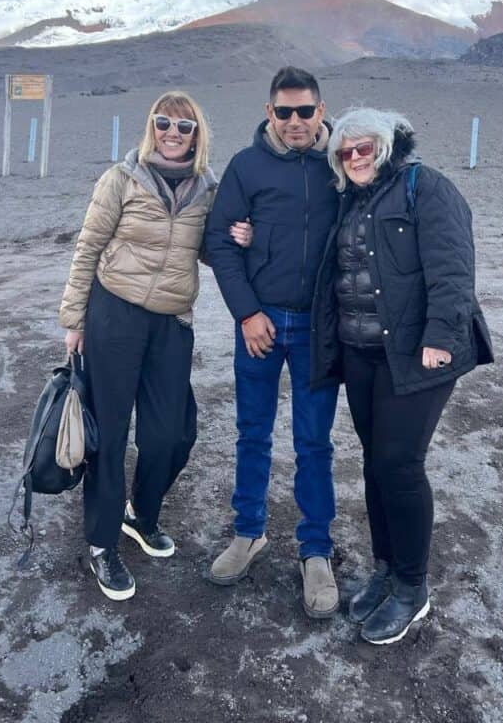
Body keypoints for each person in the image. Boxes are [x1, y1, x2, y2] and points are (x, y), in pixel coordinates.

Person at [310, 108, 493, 644]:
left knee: (400, 464)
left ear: (387, 146)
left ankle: (413, 589)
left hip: (417, 353)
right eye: (345, 152)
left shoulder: (426, 188)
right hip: (363, 354)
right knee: (375, 464)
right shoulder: (350, 199)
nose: (356, 158)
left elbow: (454, 267)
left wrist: (440, 337)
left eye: (365, 147)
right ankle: (386, 570)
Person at [59, 90, 250, 601]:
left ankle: (140, 515)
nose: (172, 132)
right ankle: (102, 545)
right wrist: (73, 318)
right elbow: (88, 247)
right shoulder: (120, 179)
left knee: (172, 434)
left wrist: (239, 237)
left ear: (197, 134)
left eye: (184, 126)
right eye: (163, 122)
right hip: (113, 315)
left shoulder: (207, 188)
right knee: (111, 433)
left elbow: (209, 251)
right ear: (151, 127)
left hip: (170, 323)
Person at [204, 66, 341, 618]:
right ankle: (248, 533)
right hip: (261, 325)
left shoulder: (341, 164)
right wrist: (246, 313)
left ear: (320, 110)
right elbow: (219, 239)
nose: (295, 122)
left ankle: (315, 552)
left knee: (314, 441)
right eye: (283, 112)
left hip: (317, 328)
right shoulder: (246, 165)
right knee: (252, 433)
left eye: (305, 111)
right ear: (269, 113)